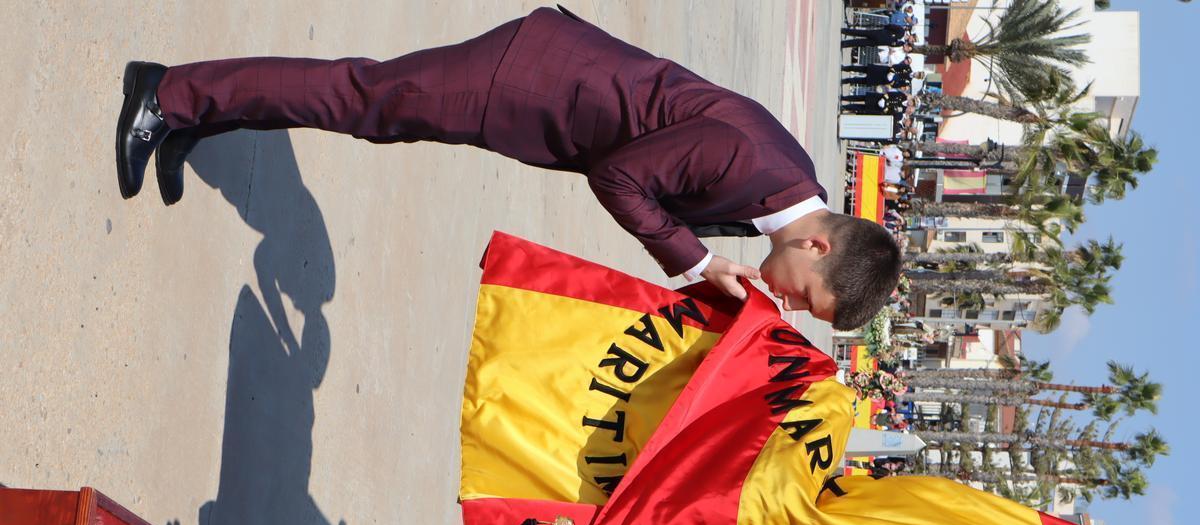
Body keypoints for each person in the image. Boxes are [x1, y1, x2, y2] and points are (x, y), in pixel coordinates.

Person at [115, 6, 901, 330]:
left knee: (368, 110)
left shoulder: (789, 185)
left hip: (549, 97)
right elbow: (622, 178)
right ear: (820, 248)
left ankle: (197, 115)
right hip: (534, 79)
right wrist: (695, 262)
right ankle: (171, 91)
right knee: (362, 96)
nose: (789, 305)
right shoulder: (752, 163)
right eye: (808, 299)